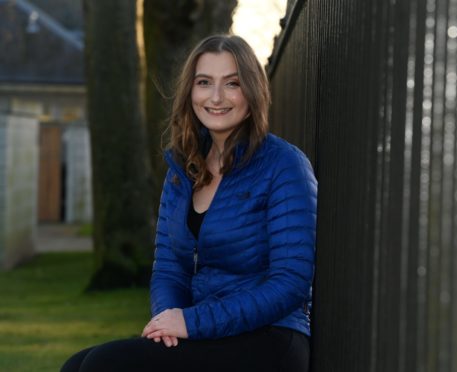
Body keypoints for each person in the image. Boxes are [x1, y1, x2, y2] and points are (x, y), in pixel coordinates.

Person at [61, 34, 317, 372]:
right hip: (206, 331)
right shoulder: (183, 170)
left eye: (232, 84)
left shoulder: (283, 164)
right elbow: (169, 268)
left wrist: (192, 323)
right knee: (76, 365)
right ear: (190, 92)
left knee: (103, 365)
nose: (216, 97)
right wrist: (169, 323)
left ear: (252, 91)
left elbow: (290, 284)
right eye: (204, 82)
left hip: (269, 337)